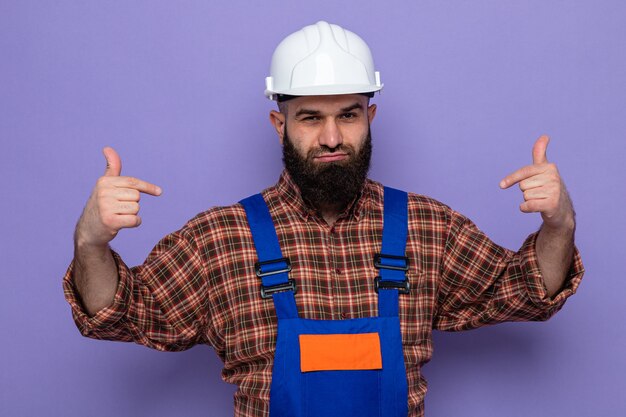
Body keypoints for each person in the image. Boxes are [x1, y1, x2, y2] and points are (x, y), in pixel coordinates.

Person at [63, 21, 584, 417]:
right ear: (279, 122)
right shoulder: (218, 239)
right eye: (311, 117)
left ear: (370, 116)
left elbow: (528, 291)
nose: (332, 137)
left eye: (348, 115)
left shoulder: (429, 227)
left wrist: (558, 225)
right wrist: (91, 244)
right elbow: (123, 313)